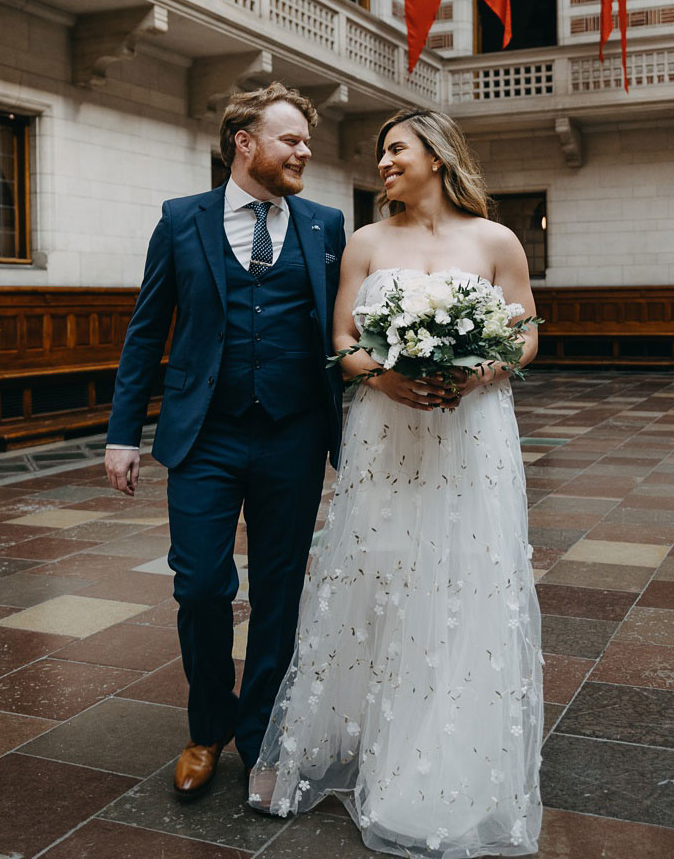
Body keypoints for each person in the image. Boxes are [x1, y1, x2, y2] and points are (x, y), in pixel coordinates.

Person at [249, 108, 543, 857]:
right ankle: (352, 738)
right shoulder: (367, 242)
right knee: (381, 575)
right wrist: (383, 377)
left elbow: (527, 330)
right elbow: (341, 339)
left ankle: (446, 756)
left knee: (462, 583)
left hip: (471, 433)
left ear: (436, 157)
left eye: (395, 150)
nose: (382, 163)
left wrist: (479, 369)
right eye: (381, 153)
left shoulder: (495, 240)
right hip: (386, 431)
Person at [104, 83, 346, 799]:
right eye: (290, 139)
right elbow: (147, 332)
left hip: (293, 436)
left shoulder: (325, 225)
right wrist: (123, 435)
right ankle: (206, 727)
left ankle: (262, 735)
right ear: (245, 143)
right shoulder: (182, 221)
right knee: (202, 585)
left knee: (279, 593)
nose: (304, 151)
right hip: (204, 436)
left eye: (306, 141)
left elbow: (342, 334)